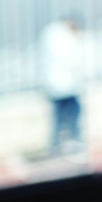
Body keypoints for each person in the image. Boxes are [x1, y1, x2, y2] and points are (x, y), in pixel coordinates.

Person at [39, 14, 85, 157]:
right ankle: (68, 142)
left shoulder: (51, 34)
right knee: (70, 114)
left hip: (61, 85)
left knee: (61, 116)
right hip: (65, 86)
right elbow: (71, 59)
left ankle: (57, 144)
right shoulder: (61, 37)